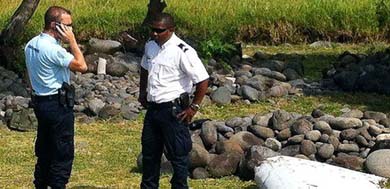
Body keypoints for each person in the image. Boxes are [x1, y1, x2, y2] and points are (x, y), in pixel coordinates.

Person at [138, 12, 209, 189]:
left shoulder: (182, 50)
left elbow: (202, 80)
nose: (154, 33)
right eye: (152, 29)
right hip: (153, 109)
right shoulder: (150, 46)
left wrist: (194, 107)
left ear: (171, 30)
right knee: (149, 154)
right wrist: (142, 92)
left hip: (173, 110)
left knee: (178, 155)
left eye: (159, 30)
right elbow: (144, 68)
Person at [24, 6, 87, 189]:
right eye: (67, 26)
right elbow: (81, 66)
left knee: (45, 149)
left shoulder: (31, 44)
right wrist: (73, 42)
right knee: (62, 151)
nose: (70, 30)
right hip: (56, 104)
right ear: (54, 25)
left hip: (40, 100)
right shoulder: (52, 49)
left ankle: (41, 184)